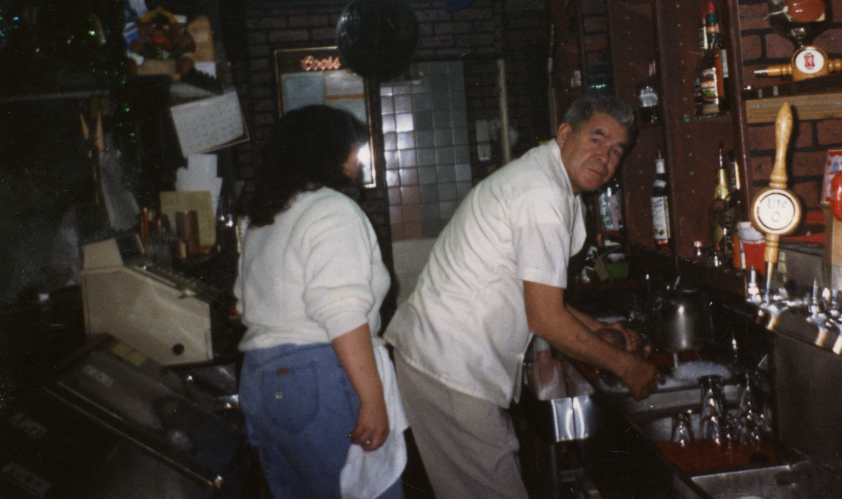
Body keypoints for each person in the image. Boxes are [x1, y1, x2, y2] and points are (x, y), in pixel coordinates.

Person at [385, 94, 662, 499]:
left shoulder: (549, 183)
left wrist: (599, 328)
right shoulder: (542, 194)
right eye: (597, 139)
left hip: (438, 360)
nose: (605, 157)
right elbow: (546, 319)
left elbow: (536, 293)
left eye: (617, 150)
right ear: (565, 134)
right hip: (450, 367)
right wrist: (627, 367)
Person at [235, 105, 406, 499]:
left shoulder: (266, 216)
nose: (357, 158)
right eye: (353, 148)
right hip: (315, 377)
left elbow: (247, 302)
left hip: (262, 382)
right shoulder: (331, 210)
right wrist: (373, 398)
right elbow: (341, 313)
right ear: (327, 151)